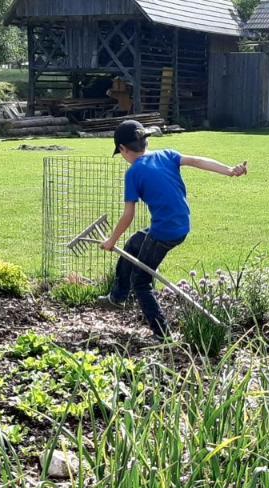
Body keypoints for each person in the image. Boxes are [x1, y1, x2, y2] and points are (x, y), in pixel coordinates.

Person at [100, 120, 247, 337]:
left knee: (141, 281)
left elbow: (128, 216)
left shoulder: (133, 173)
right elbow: (197, 161)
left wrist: (111, 240)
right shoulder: (167, 154)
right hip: (181, 225)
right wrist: (229, 171)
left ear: (123, 149)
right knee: (134, 243)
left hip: (163, 233)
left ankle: (162, 334)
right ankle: (118, 297)